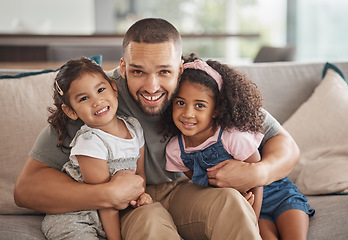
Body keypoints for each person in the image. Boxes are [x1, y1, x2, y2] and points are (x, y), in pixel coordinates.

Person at [14, 18, 300, 240]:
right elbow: (26, 189)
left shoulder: (202, 85)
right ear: (123, 67)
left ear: (180, 65)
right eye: (138, 71)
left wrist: (257, 172)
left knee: (229, 203)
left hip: (183, 191)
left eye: (164, 71)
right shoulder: (97, 98)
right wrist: (106, 194)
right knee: (151, 222)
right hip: (131, 204)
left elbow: (285, 144)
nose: (152, 87)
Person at [161, 55, 314, 240]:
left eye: (199, 105)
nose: (188, 113)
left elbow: (256, 175)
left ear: (216, 110)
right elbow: (202, 186)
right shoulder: (176, 150)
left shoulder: (232, 136)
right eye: (180, 103)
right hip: (245, 203)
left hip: (279, 193)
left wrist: (251, 217)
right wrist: (241, 209)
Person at [41, 57, 153, 240]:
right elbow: (104, 200)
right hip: (76, 217)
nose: (97, 101)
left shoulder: (134, 128)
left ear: (113, 88)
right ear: (71, 111)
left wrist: (141, 196)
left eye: (101, 90)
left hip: (110, 216)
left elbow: (139, 176)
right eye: (84, 98)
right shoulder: (90, 142)